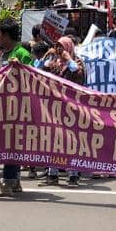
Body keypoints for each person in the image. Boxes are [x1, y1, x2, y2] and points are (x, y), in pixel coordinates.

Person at [0, 19, 34, 197]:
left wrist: (19, 68)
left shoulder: (21, 53)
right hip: (3, 107)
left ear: (6, 35)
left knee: (11, 145)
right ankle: (14, 181)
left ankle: (8, 181)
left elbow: (32, 78)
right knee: (9, 144)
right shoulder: (5, 54)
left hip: (17, 108)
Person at [36, 37, 85, 187]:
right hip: (54, 107)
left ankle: (73, 176)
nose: (59, 51)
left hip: (71, 108)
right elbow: (36, 70)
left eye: (61, 47)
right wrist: (45, 57)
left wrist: (68, 58)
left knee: (71, 142)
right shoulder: (55, 63)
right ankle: (52, 175)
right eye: (57, 47)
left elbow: (77, 74)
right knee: (53, 142)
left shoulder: (76, 62)